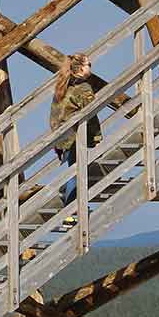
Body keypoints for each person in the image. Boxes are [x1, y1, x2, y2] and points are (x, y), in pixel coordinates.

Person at [50, 54, 102, 205]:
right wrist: (96, 137)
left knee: (75, 170)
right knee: (78, 173)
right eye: (89, 64)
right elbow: (91, 115)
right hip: (75, 137)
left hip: (62, 138)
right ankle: (71, 212)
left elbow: (54, 115)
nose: (91, 67)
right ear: (80, 68)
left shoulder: (62, 86)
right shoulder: (83, 88)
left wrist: (56, 141)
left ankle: (66, 193)